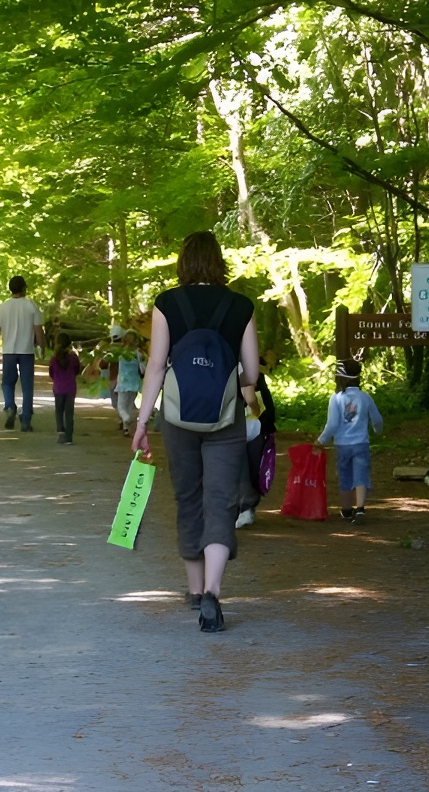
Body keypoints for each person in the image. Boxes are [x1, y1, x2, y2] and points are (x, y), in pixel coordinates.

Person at [131, 231, 259, 634]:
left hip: (176, 415)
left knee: (188, 496)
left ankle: (193, 588)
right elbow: (251, 374)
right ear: (218, 261)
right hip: (226, 416)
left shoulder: (168, 303)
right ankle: (213, 592)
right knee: (221, 500)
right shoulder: (241, 306)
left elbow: (154, 367)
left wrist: (141, 422)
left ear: (183, 263)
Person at [315, 358, 383, 524]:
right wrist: (377, 430)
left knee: (344, 475)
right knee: (361, 475)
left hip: (342, 445)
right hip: (361, 443)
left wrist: (321, 440)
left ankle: (346, 510)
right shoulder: (365, 397)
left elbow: (332, 424)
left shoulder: (336, 398)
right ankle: (360, 508)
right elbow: (377, 419)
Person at [0, 275, 45, 432]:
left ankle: (9, 406)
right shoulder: (31, 306)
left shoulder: (3, 307)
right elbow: (38, 330)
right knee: (27, 386)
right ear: (24, 288)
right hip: (26, 352)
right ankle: (26, 420)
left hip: (8, 351)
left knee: (7, 383)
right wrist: (42, 346)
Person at [235, 364, 277, 529]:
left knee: (240, 467)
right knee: (253, 466)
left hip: (238, 426)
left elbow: (250, 397)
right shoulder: (254, 372)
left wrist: (254, 408)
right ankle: (247, 508)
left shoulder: (233, 368)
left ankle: (243, 507)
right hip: (259, 426)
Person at [48, 334, 81, 445]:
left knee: (59, 411)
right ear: (70, 343)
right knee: (69, 413)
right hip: (70, 388)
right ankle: (69, 437)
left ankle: (60, 431)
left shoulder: (54, 358)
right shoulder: (73, 357)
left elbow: (51, 373)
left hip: (58, 388)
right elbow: (78, 370)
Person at [114, 331, 146, 436]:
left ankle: (126, 419)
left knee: (121, 407)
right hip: (134, 382)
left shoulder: (120, 353)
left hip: (123, 382)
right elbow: (143, 369)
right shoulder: (138, 354)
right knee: (129, 406)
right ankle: (126, 428)